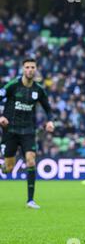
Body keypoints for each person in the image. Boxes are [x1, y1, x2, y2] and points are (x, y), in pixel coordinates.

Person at [0, 58, 54, 209]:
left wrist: (50, 121)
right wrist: (1, 117)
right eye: (27, 67)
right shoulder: (12, 85)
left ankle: (30, 200)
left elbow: (48, 109)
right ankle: (3, 166)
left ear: (35, 69)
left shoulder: (38, 90)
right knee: (9, 168)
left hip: (28, 131)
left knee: (31, 160)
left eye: (32, 67)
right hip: (10, 130)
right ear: (23, 69)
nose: (30, 70)